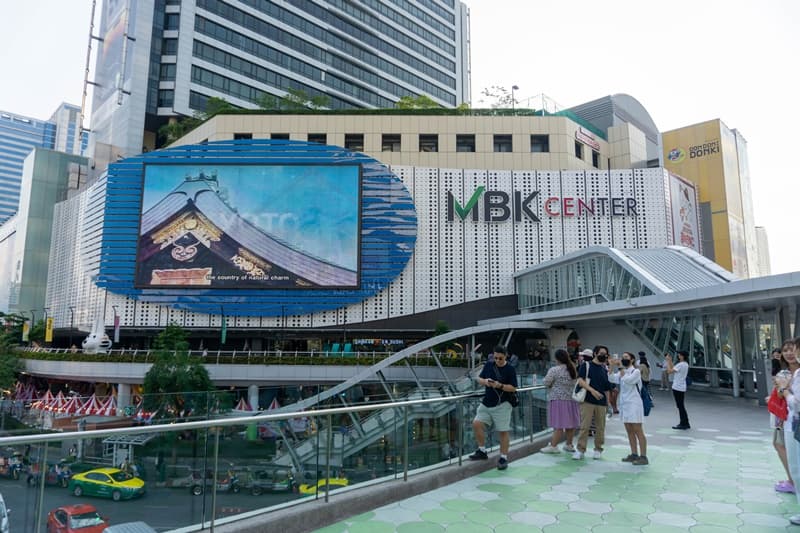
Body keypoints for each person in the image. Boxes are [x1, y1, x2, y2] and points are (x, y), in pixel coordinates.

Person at [469, 345, 518, 470]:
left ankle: (503, 458)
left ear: (505, 356)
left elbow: (513, 388)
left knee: (502, 431)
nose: (497, 360)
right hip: (486, 402)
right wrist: (485, 382)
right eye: (495, 358)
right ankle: (482, 450)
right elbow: (479, 378)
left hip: (502, 404)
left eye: (500, 358)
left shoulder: (510, 369)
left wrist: (499, 385)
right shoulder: (489, 365)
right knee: (476, 423)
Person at [775, 338, 800, 526]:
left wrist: (785, 389)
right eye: (788, 350)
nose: (792, 353)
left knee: (797, 468)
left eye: (794, 349)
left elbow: (795, 402)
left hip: (796, 424)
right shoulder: (792, 372)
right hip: (791, 421)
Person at [573, 345, 613, 460]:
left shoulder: (604, 369)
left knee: (600, 427)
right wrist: (592, 390)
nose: (603, 355)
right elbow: (580, 381)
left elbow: (607, 388)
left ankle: (598, 449)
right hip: (587, 401)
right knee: (584, 426)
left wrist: (608, 402)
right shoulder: (586, 365)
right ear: (595, 353)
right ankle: (580, 450)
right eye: (601, 353)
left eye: (605, 354)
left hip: (601, 402)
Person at [609, 352, 649, 465]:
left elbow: (628, 380)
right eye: (623, 357)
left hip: (634, 404)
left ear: (632, 360)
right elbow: (611, 378)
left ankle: (643, 456)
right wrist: (611, 365)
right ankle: (634, 454)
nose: (623, 359)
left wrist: (620, 367)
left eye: (626, 357)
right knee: (629, 430)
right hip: (625, 404)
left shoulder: (635, 371)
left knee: (638, 430)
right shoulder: (622, 371)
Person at [540, 349, 580, 454]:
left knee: (558, 425)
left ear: (556, 358)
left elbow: (546, 382)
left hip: (558, 400)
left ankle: (553, 446)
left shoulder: (554, 370)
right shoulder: (572, 369)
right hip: (571, 400)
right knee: (570, 425)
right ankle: (569, 445)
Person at [771, 347, 795, 493]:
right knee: (779, 443)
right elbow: (780, 395)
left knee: (782, 445)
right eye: (785, 350)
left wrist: (785, 389)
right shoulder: (784, 372)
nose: (789, 353)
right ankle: (792, 480)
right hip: (784, 415)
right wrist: (781, 389)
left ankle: (793, 481)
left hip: (791, 416)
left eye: (793, 350)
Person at [665, 350, 691, 429]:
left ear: (682, 356)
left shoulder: (681, 364)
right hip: (681, 387)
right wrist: (670, 361)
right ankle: (685, 422)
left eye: (679, 355)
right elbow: (673, 369)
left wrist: (668, 361)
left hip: (677, 387)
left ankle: (683, 423)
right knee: (681, 405)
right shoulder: (685, 364)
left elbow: (669, 371)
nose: (678, 356)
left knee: (680, 406)